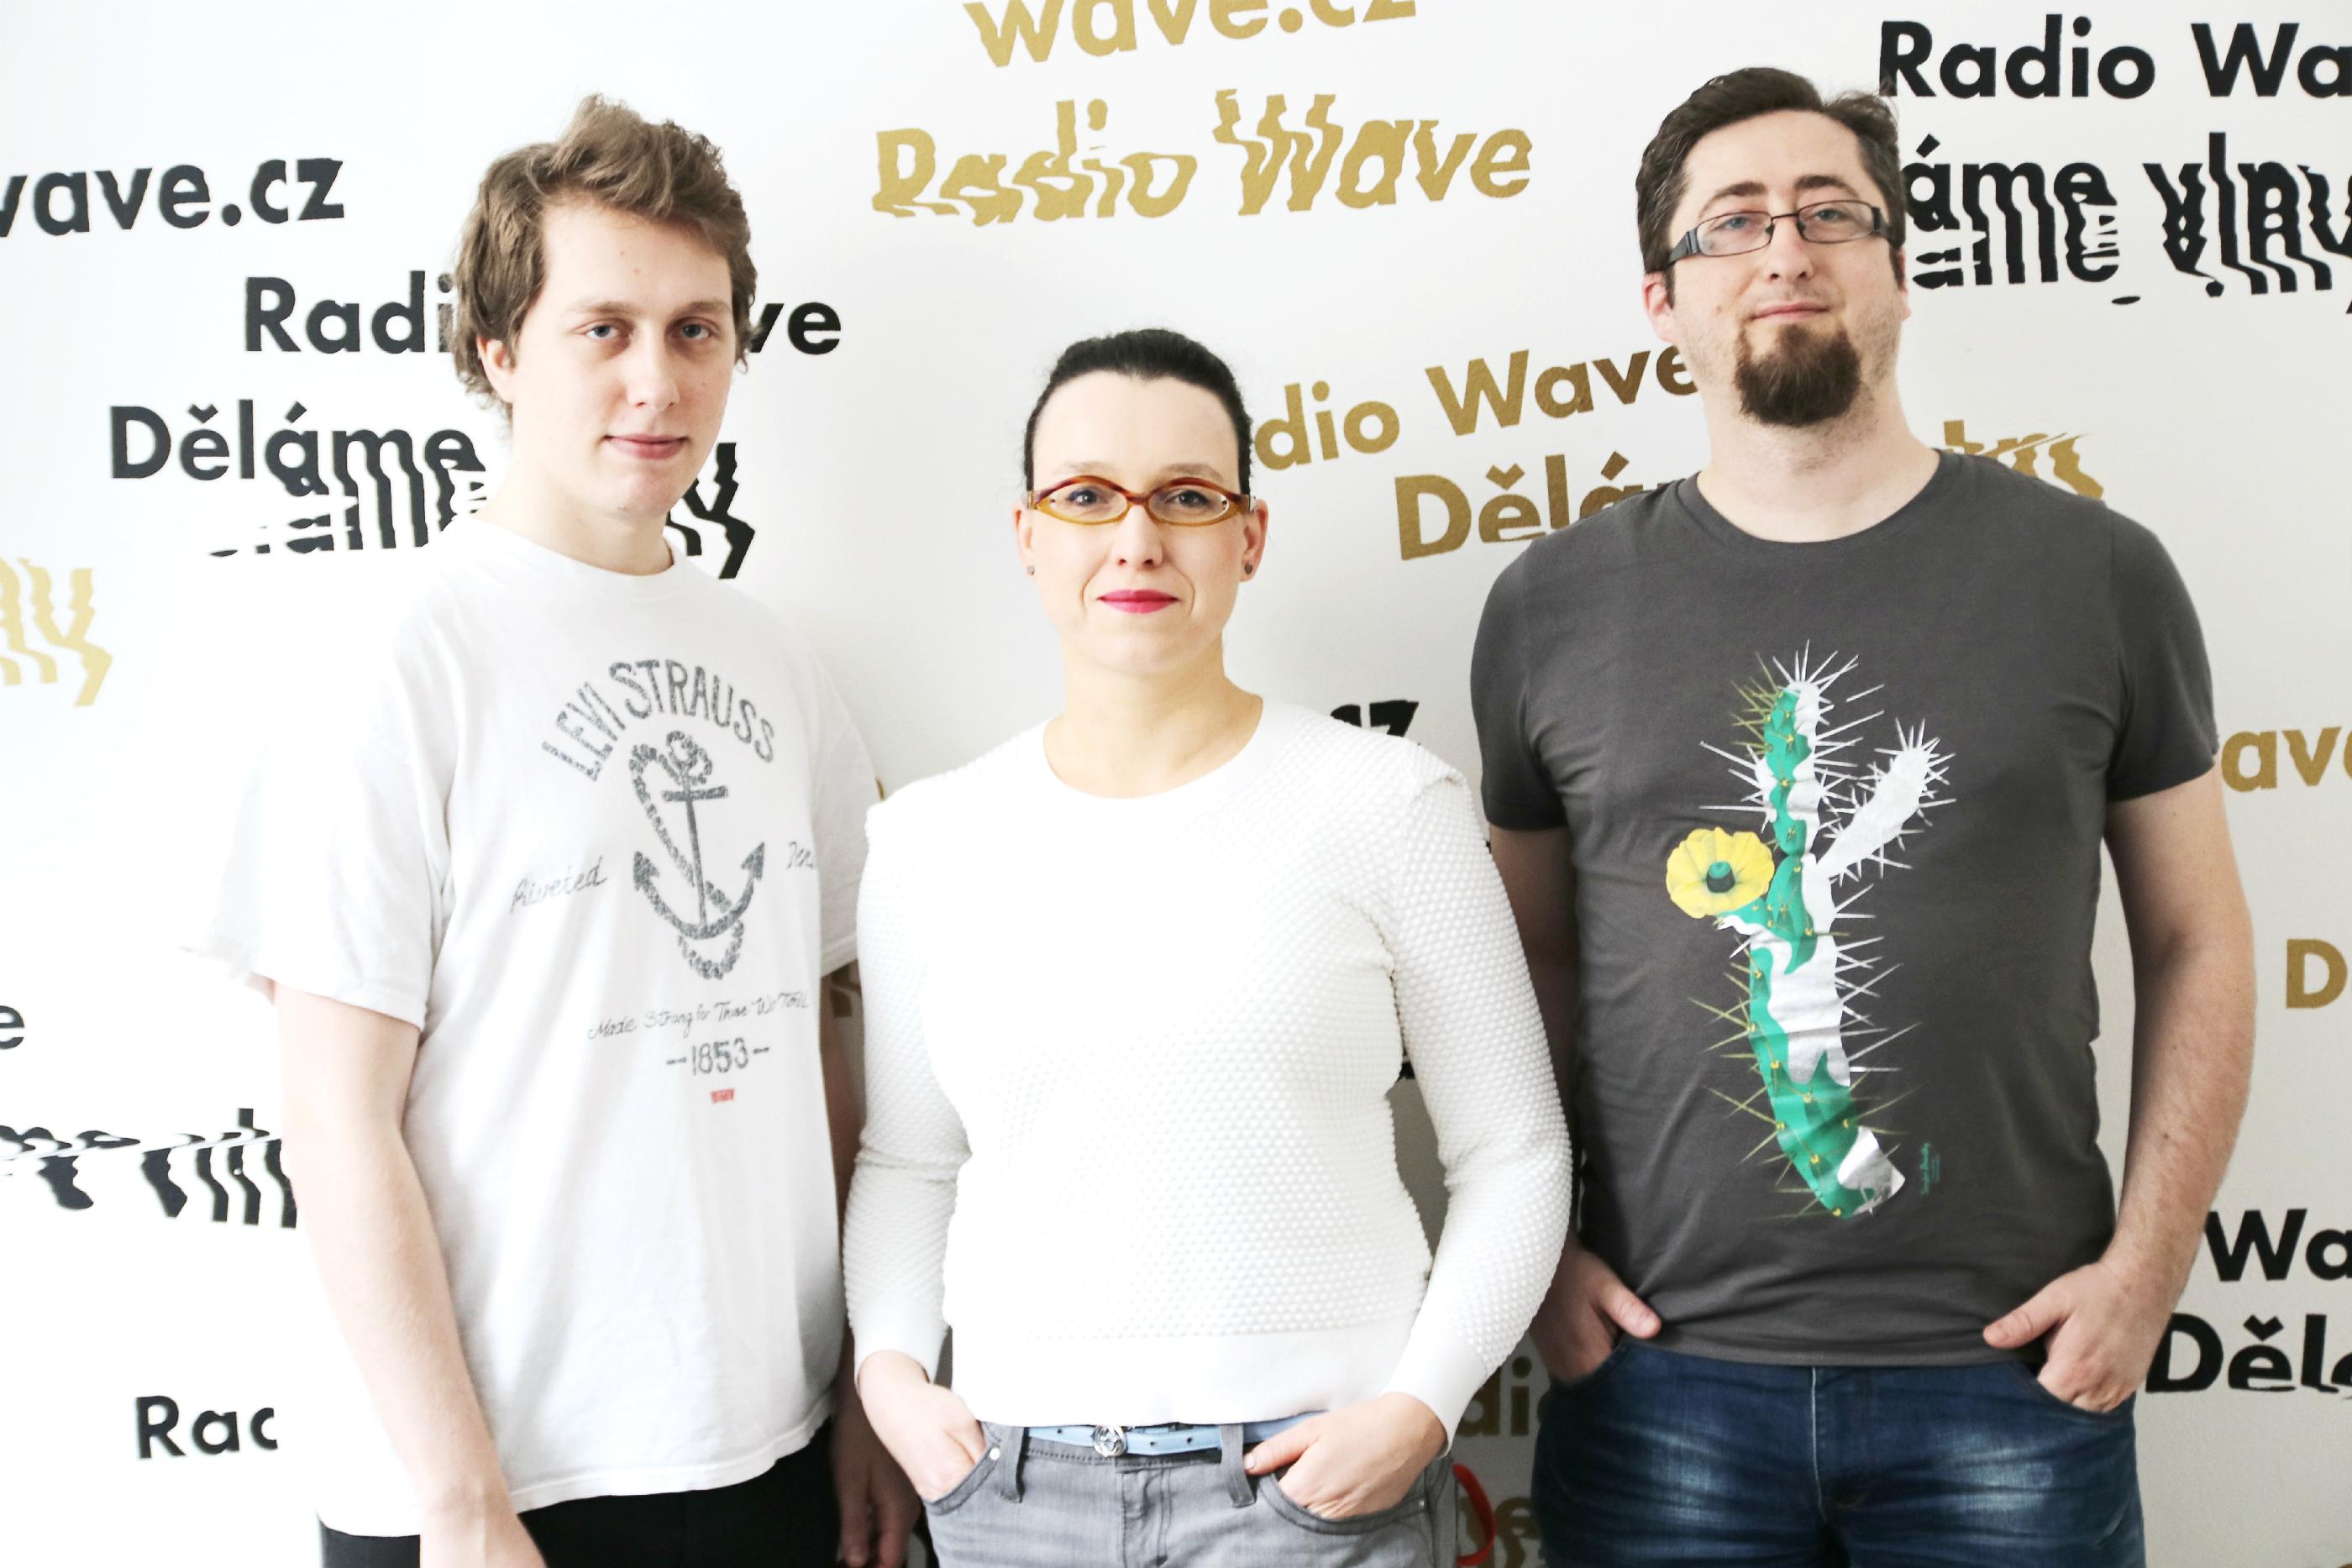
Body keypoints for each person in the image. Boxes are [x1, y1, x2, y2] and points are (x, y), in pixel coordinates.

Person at [1471, 67, 2255, 1568]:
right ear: (1663, 299)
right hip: (1658, 1384)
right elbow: (1517, 967)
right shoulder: (1550, 606)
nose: (1786, 249)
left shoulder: (2098, 575)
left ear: (1899, 268)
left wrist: (2151, 1270)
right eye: (1733, 222)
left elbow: (2197, 936)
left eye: (1831, 212)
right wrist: (1537, 1259)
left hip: (2017, 1374)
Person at [187, 97, 915, 1568]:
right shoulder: (396, 661)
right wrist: (460, 1499)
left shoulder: (778, 663)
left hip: (769, 1446)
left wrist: (860, 1388)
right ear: (499, 351)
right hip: (496, 1483)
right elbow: (335, 1119)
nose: (657, 381)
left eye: (696, 331)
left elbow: (831, 1050)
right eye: (603, 330)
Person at [842, 328, 1571, 1567]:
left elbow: (1514, 1149)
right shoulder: (928, 839)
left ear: (1250, 535)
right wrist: (894, 1382)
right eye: (1087, 498)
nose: (1136, 540)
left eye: (1185, 497)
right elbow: (908, 1161)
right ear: (1028, 535)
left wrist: (1420, 1407)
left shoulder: (1388, 804)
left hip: (1314, 1492)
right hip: (1012, 1495)